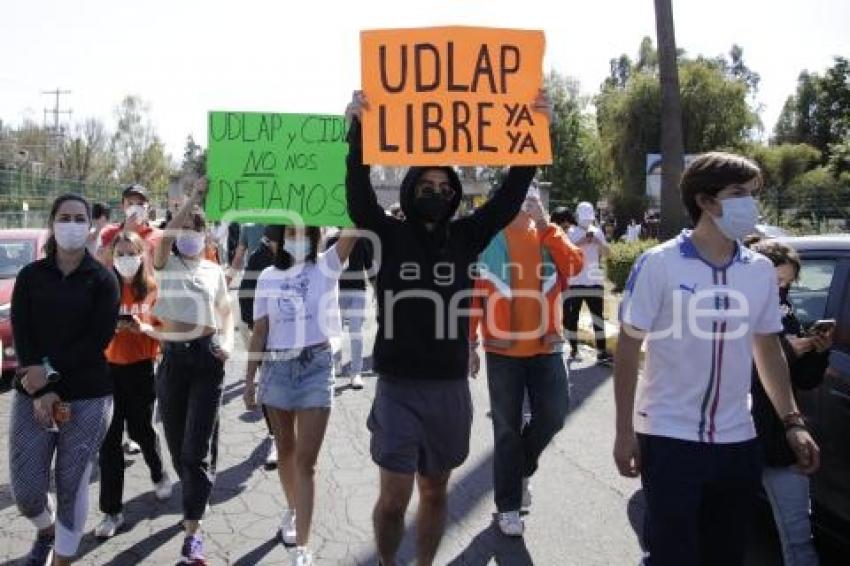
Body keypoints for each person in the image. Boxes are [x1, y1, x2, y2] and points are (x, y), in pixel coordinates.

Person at [345, 88, 553, 566]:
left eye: (444, 187)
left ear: (455, 194)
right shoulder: (389, 235)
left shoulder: (467, 235)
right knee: (395, 497)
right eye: (426, 186)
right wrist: (357, 134)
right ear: (409, 190)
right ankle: (386, 560)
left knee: (435, 492)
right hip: (397, 385)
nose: (435, 193)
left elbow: (507, 199)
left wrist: (532, 133)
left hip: (449, 387)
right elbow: (358, 199)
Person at [613, 152, 820, 566]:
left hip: (738, 441)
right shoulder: (660, 263)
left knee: (725, 555)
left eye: (753, 194)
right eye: (739, 194)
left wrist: (792, 421)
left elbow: (767, 349)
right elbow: (628, 346)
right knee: (673, 556)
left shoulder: (760, 270)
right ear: (705, 202)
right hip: (669, 437)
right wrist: (624, 431)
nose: (751, 205)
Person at [10, 193, 120, 565]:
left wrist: (50, 372)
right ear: (52, 223)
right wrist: (40, 385)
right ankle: (45, 529)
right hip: (32, 393)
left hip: (87, 396)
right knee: (26, 490)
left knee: (72, 482)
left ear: (90, 226)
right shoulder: (30, 276)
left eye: (79, 218)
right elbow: (22, 333)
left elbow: (96, 340)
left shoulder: (103, 280)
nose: (72, 224)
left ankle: (63, 556)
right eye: (65, 217)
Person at [468, 189, 583, 536]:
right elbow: (474, 292)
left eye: (532, 197)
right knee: (506, 429)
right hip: (502, 349)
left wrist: (549, 226)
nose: (526, 202)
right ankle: (508, 506)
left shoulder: (548, 233)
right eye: (520, 196)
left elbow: (575, 265)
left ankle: (521, 469)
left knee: (555, 414)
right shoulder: (488, 237)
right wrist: (469, 342)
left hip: (546, 345)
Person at [244, 225, 357, 566]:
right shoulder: (266, 275)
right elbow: (260, 330)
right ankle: (292, 510)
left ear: (314, 236)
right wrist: (249, 379)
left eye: (304, 234)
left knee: (306, 462)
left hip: (316, 367)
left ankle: (302, 548)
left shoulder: (327, 265)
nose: (298, 240)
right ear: (278, 238)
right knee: (286, 450)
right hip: (276, 368)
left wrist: (356, 176)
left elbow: (355, 226)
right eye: (290, 233)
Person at [152, 178, 234, 565]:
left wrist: (228, 344)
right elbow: (166, 236)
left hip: (206, 361)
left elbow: (226, 313)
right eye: (185, 227)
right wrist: (193, 198)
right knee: (175, 440)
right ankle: (195, 492)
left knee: (194, 450)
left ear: (205, 235)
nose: (189, 234)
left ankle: (193, 534)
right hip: (172, 361)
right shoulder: (166, 261)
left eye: (196, 229)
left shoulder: (213, 269)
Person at [748, 239, 831, 566]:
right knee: (722, 529)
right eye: (776, 281)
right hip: (736, 438)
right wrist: (786, 352)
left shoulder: (786, 312)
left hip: (781, 439)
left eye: (787, 283)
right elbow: (738, 372)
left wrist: (817, 353)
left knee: (799, 538)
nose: (781, 289)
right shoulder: (726, 311)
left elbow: (803, 380)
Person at [94, 231, 173, 539]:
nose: (126, 259)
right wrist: (109, 329)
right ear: (112, 258)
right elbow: (89, 331)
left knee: (141, 430)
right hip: (106, 372)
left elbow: (166, 335)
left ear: (143, 256)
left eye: (131, 253)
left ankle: (158, 470)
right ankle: (112, 511)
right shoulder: (103, 291)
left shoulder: (153, 290)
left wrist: (142, 328)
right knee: (109, 442)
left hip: (141, 370)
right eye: (121, 253)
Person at [238, 225, 285, 469]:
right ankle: (276, 436)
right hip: (267, 335)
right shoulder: (260, 259)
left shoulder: (287, 258)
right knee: (269, 386)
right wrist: (255, 327)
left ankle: (286, 434)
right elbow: (247, 296)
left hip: (291, 336)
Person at [564, 201, 612, 364]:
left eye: (588, 218)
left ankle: (602, 352)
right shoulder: (571, 232)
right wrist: (582, 241)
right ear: (577, 217)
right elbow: (566, 252)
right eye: (584, 218)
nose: (586, 222)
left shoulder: (598, 232)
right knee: (572, 318)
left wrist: (598, 242)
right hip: (576, 281)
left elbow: (608, 253)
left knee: (598, 318)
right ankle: (573, 349)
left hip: (594, 281)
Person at [326, 230, 374, 389]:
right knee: (335, 332)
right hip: (336, 291)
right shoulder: (332, 240)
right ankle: (336, 365)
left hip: (357, 291)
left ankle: (356, 372)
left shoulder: (362, 240)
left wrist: (378, 291)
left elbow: (369, 266)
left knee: (355, 331)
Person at [98, 184, 162, 270]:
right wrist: (124, 232)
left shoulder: (159, 235)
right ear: (122, 206)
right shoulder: (109, 232)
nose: (135, 208)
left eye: (140, 204)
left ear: (148, 208)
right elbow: (102, 260)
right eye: (130, 203)